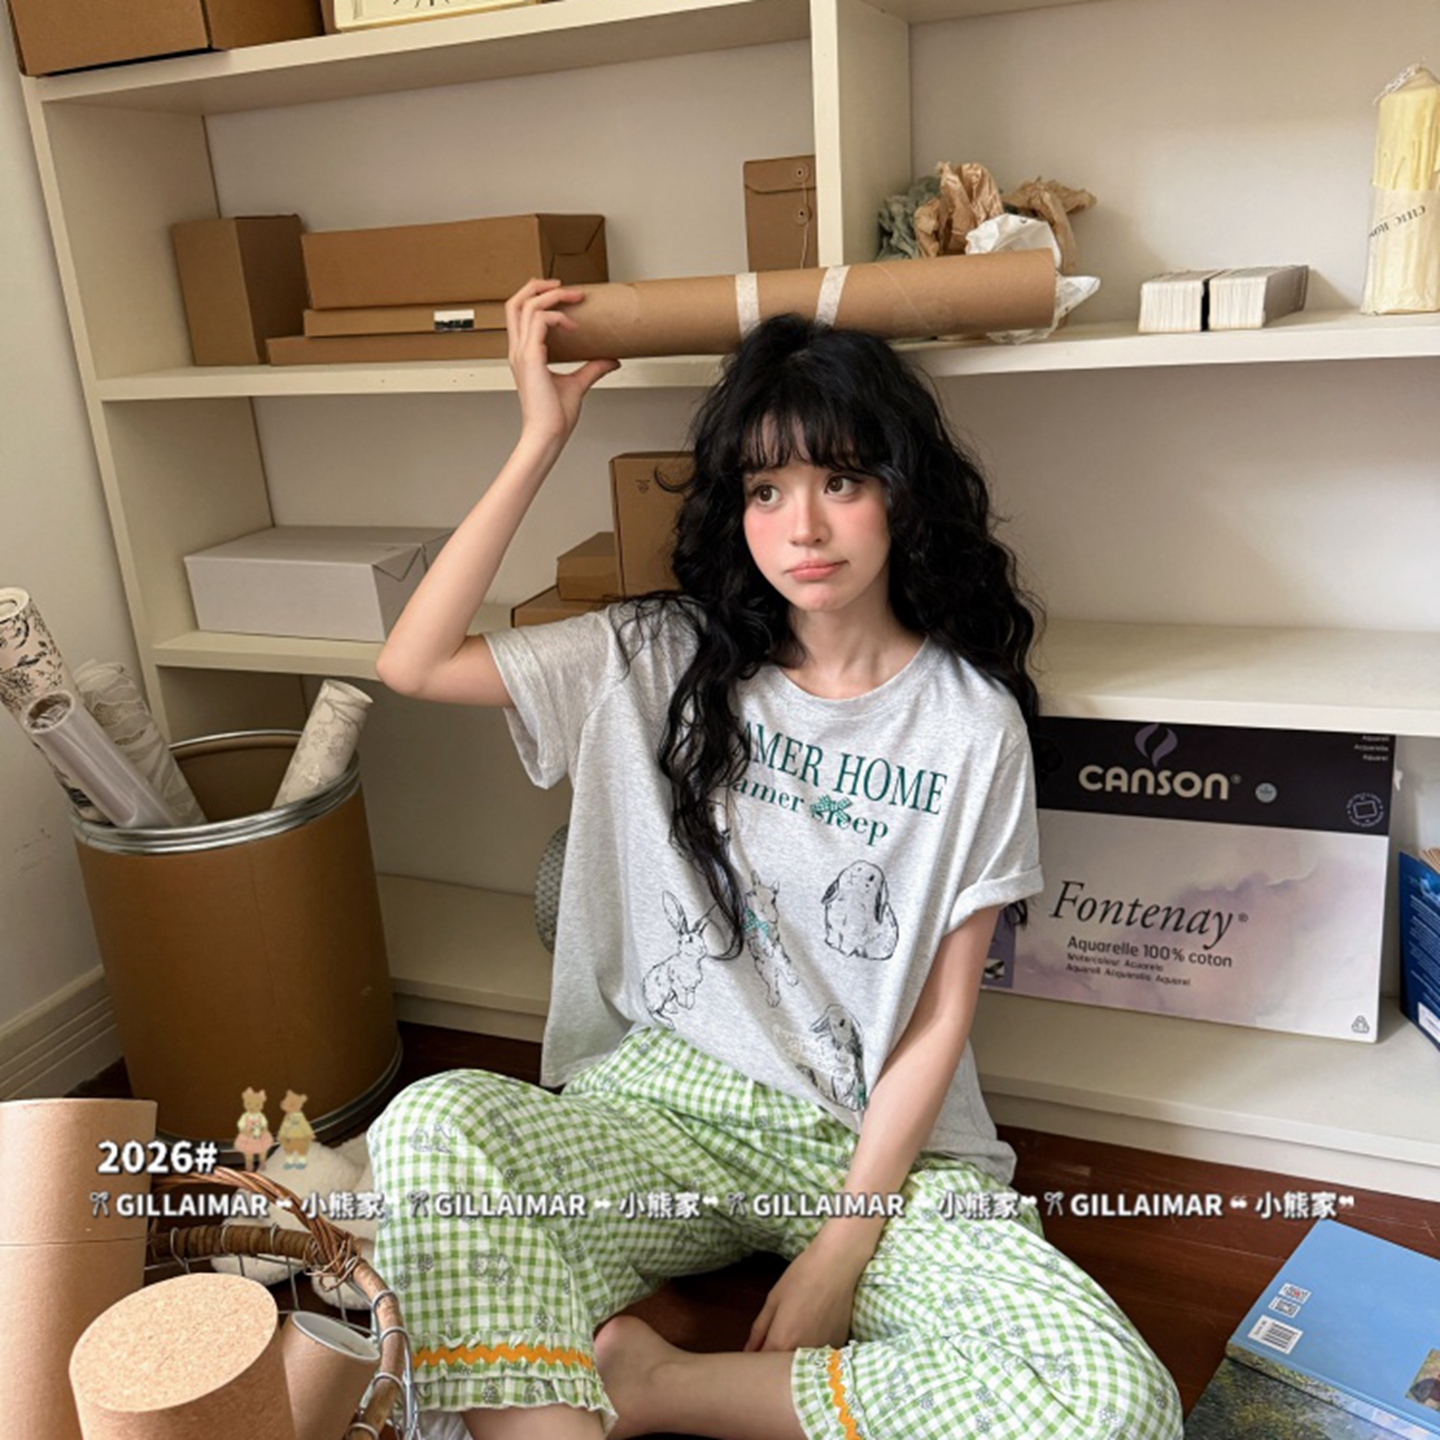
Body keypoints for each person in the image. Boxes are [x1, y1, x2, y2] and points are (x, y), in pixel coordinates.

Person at [368, 278, 1184, 1440]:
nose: (802, 529)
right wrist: (542, 435)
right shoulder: (659, 654)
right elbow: (412, 662)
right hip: (667, 1111)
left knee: (1110, 1405)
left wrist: (843, 1249)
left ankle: (656, 1387)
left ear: (901, 492)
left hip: (874, 1141)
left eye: (840, 481)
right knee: (429, 1130)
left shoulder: (970, 724)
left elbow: (939, 1018)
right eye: (766, 490)